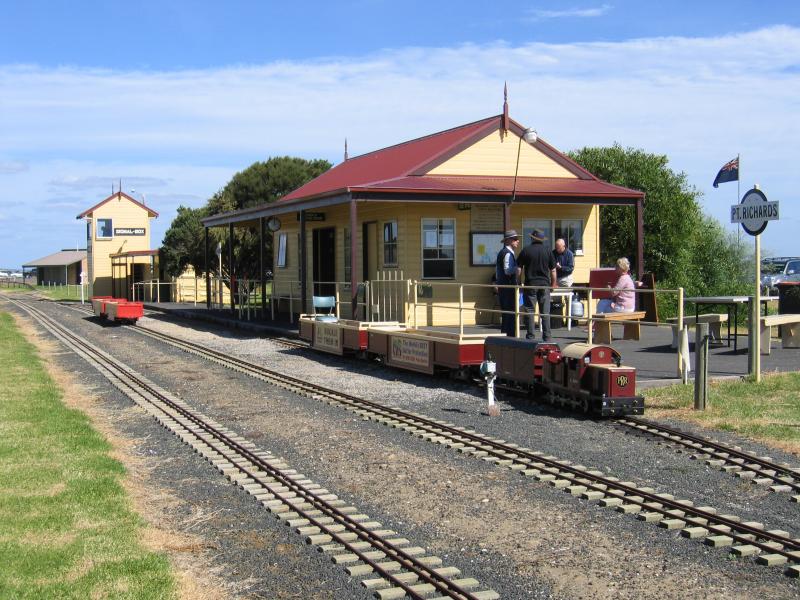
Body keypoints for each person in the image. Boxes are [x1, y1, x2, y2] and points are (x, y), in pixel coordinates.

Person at [517, 229, 557, 341]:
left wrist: (519, 282)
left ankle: (530, 336)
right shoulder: (548, 251)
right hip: (544, 284)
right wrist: (553, 284)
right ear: (542, 240)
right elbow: (553, 270)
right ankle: (547, 337)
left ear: (532, 238)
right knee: (545, 312)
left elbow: (519, 269)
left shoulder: (526, 250)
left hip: (530, 284)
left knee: (530, 311)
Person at [495, 230, 521, 336]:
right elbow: (507, 270)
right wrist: (517, 268)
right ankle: (509, 335)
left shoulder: (504, 252)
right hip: (508, 287)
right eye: (515, 239)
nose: (517, 241)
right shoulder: (507, 253)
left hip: (504, 286)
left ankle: (507, 334)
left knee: (507, 312)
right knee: (509, 311)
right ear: (509, 240)